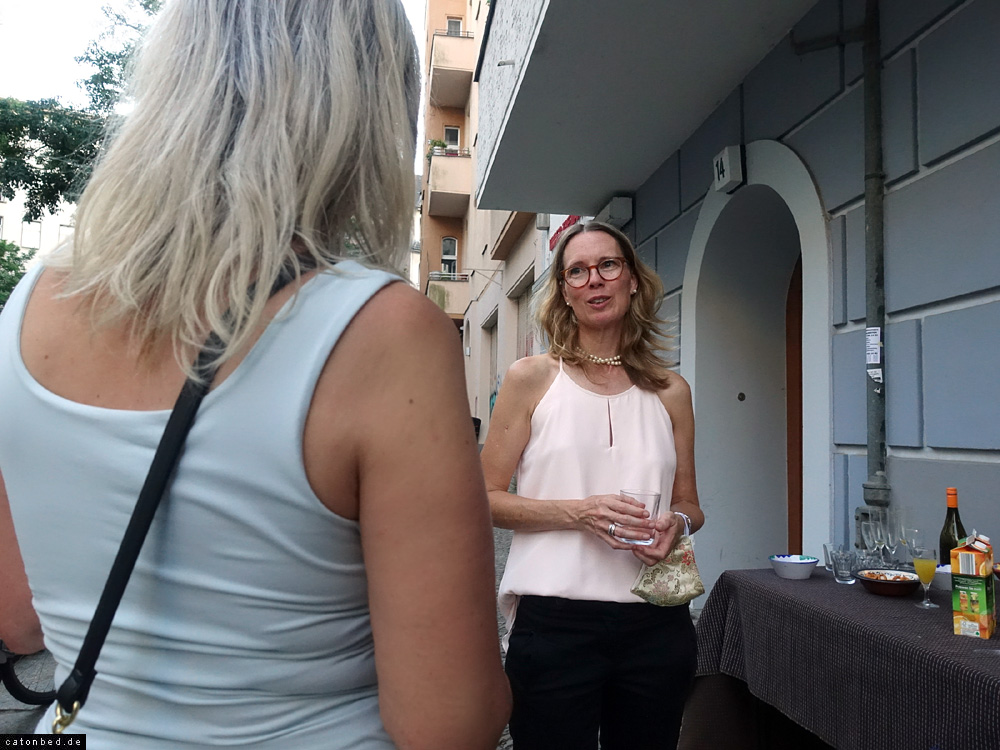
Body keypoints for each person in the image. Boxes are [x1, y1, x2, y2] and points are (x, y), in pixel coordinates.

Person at [0, 1, 510, 747]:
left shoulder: (27, 308)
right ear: (369, 105)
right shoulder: (382, 331)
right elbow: (448, 725)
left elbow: (19, 617)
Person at [481, 220, 704, 750]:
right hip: (555, 625)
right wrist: (579, 513)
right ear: (564, 291)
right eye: (577, 272)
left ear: (632, 280)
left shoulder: (671, 391)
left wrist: (676, 523)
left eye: (608, 265)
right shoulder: (531, 378)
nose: (594, 280)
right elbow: (482, 499)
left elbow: (690, 504)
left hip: (656, 624)